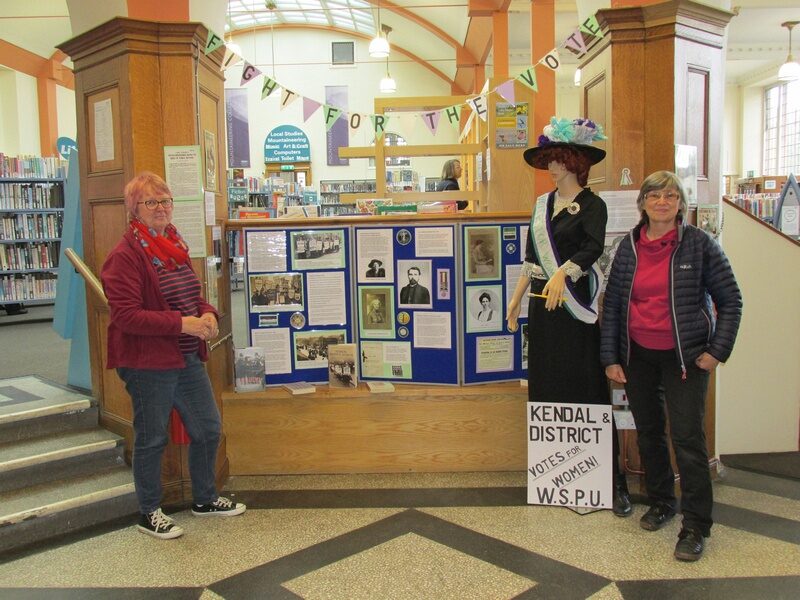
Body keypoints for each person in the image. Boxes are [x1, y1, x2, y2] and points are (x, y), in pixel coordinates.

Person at [600, 170, 742, 562]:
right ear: (643, 202)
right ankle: (662, 501)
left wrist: (717, 351)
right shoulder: (628, 246)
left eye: (670, 196)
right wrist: (611, 357)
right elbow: (613, 305)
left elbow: (731, 300)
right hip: (639, 355)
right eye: (654, 196)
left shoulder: (700, 245)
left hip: (686, 358)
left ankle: (696, 525)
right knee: (648, 431)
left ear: (680, 203)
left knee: (688, 440)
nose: (662, 202)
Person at [101, 172, 246, 540]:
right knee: (151, 438)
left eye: (165, 200)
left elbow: (189, 296)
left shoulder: (173, 244)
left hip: (184, 357)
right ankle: (148, 512)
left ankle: (204, 498)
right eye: (152, 202)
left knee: (208, 428)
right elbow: (126, 316)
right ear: (135, 209)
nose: (162, 208)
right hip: (147, 362)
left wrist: (207, 312)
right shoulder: (125, 256)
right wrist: (184, 324)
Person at [506, 117, 632, 517]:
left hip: (578, 311)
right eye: (548, 160)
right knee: (547, 388)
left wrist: (565, 271)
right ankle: (557, 480)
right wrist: (515, 301)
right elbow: (530, 259)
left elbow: (593, 248)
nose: (550, 166)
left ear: (574, 162)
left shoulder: (594, 205)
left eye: (557, 159)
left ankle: (612, 483)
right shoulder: (540, 206)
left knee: (588, 391)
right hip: (545, 312)